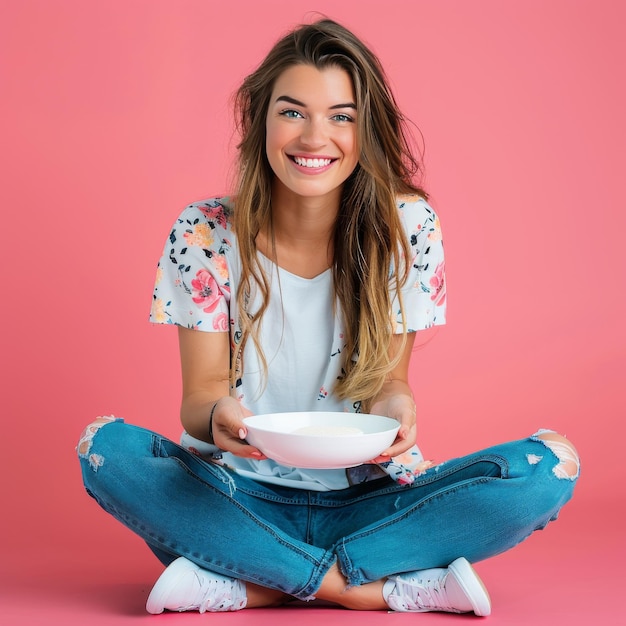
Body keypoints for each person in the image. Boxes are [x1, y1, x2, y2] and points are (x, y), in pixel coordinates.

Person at [77, 19, 579, 616]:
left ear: (366, 130)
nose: (316, 137)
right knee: (105, 450)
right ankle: (370, 588)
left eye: (341, 116)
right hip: (236, 496)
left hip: (370, 500)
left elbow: (391, 383)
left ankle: (253, 579)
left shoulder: (405, 228)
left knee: (549, 465)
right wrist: (219, 416)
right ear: (259, 120)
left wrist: (399, 412)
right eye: (293, 112)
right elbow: (201, 396)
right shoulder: (204, 230)